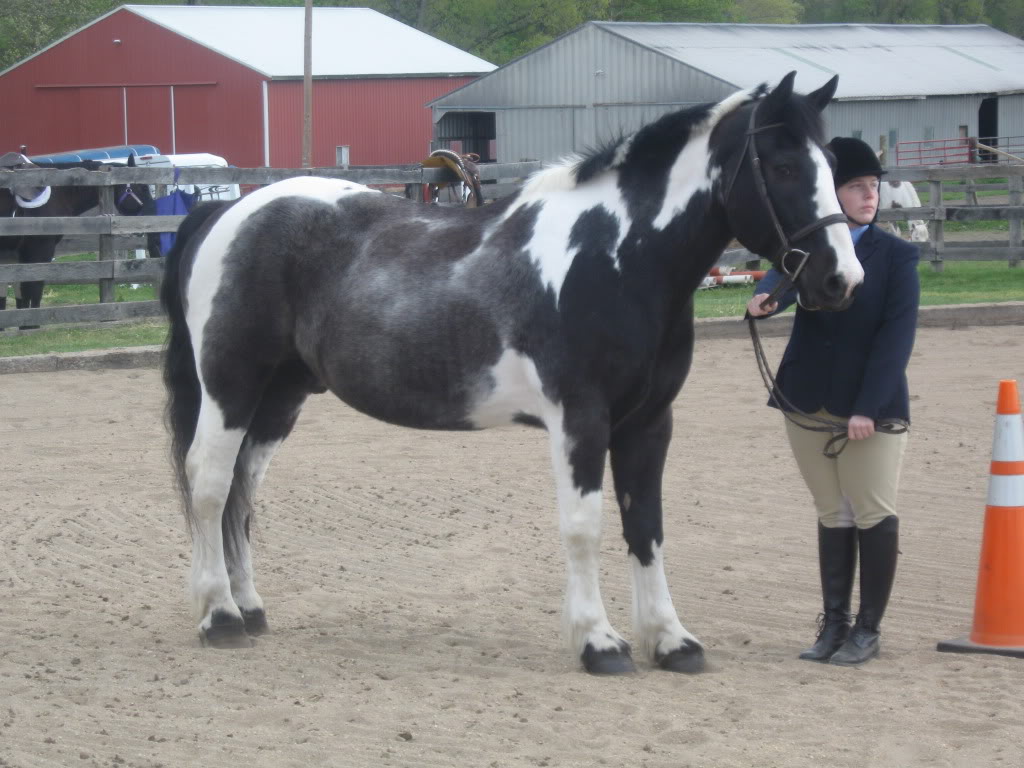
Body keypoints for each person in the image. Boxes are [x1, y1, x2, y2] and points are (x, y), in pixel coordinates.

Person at [746, 136, 920, 666]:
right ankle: (835, 624)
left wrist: (868, 407)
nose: (870, 196)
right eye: (857, 187)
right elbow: (783, 275)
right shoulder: (811, 246)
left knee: (873, 512)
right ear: (832, 193)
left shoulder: (896, 256)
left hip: (869, 409)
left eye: (873, 187)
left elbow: (896, 341)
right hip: (805, 399)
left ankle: (868, 629)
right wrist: (764, 299)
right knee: (832, 512)